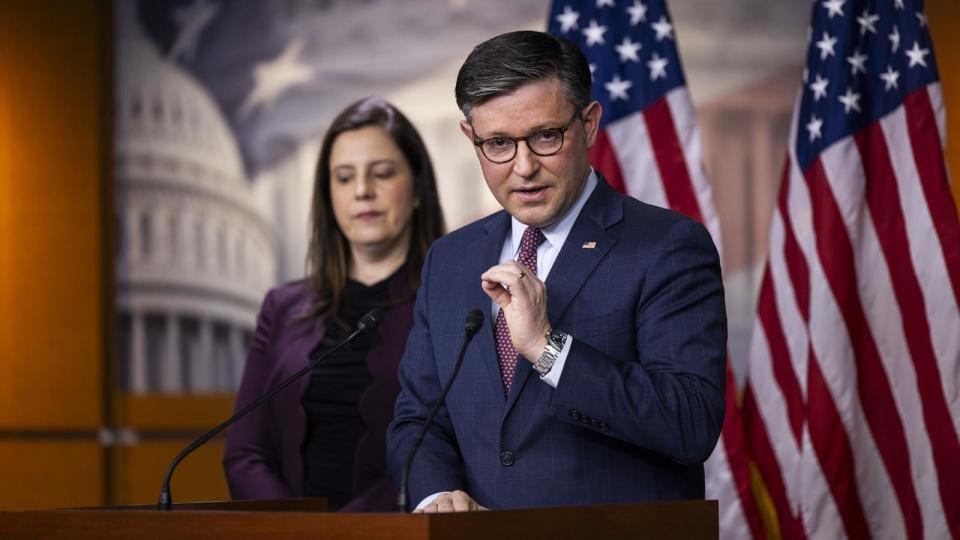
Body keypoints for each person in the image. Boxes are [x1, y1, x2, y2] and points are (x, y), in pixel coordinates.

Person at [387, 31, 726, 512]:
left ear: (588, 125)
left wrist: (548, 349)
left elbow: (689, 423)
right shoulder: (450, 259)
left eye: (546, 136)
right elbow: (417, 420)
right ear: (471, 138)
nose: (524, 167)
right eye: (499, 143)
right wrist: (438, 496)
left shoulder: (667, 247)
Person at [224, 97, 445, 511]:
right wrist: (299, 533)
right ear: (329, 195)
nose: (362, 191)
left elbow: (450, 448)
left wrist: (345, 533)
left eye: (381, 173)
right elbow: (245, 454)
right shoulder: (282, 308)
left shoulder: (451, 307)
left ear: (417, 190)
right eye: (344, 177)